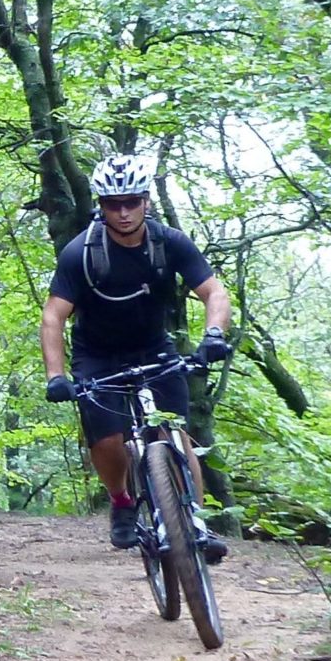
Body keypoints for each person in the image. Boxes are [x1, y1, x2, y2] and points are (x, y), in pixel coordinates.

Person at [39, 153, 236, 556]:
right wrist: (56, 376)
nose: (124, 212)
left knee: (176, 435)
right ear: (101, 205)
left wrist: (214, 334)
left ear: (146, 200)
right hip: (97, 355)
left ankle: (194, 521)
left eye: (132, 202)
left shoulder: (169, 243)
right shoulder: (80, 254)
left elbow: (214, 291)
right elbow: (53, 317)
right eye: (114, 204)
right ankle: (122, 502)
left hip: (154, 347)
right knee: (107, 439)